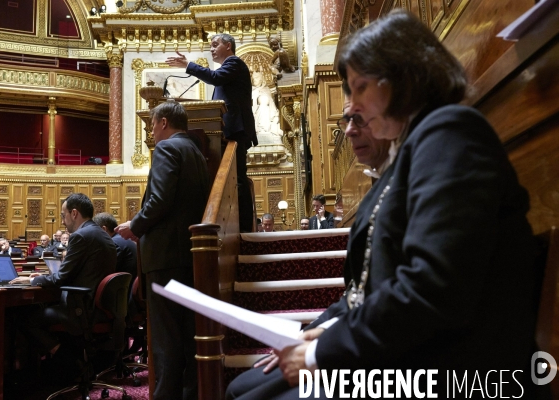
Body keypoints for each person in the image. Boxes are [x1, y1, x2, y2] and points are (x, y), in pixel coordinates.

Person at [226, 9, 537, 398]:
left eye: (359, 87)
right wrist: (321, 329)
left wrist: (320, 353)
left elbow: (432, 290)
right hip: (411, 352)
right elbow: (370, 286)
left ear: (402, 79)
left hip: (453, 369)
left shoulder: (451, 133)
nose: (353, 106)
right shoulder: (410, 151)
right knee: (246, 385)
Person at [115, 101, 210, 400]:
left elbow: (159, 201)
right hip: (186, 255)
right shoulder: (196, 152)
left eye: (153, 125)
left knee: (166, 340)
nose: (152, 132)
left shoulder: (168, 149)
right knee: (185, 337)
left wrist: (135, 226)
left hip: (166, 256)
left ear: (164, 122)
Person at [166, 33, 257, 233]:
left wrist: (188, 65)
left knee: (239, 180)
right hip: (227, 133)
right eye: (211, 45)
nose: (212, 48)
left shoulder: (234, 63)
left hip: (235, 132)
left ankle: (245, 228)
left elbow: (216, 78)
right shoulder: (227, 69)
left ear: (229, 46)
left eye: (215, 44)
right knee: (235, 180)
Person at [10, 193, 117, 360]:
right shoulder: (102, 234)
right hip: (100, 307)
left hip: (81, 309)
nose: (62, 220)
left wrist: (32, 280)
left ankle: (63, 358)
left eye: (63, 215)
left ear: (74, 213)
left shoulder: (81, 236)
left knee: (25, 319)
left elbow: (61, 279)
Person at [93, 212, 137, 290]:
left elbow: (105, 272)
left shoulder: (113, 244)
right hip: (129, 290)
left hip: (122, 293)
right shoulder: (122, 239)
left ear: (104, 229)